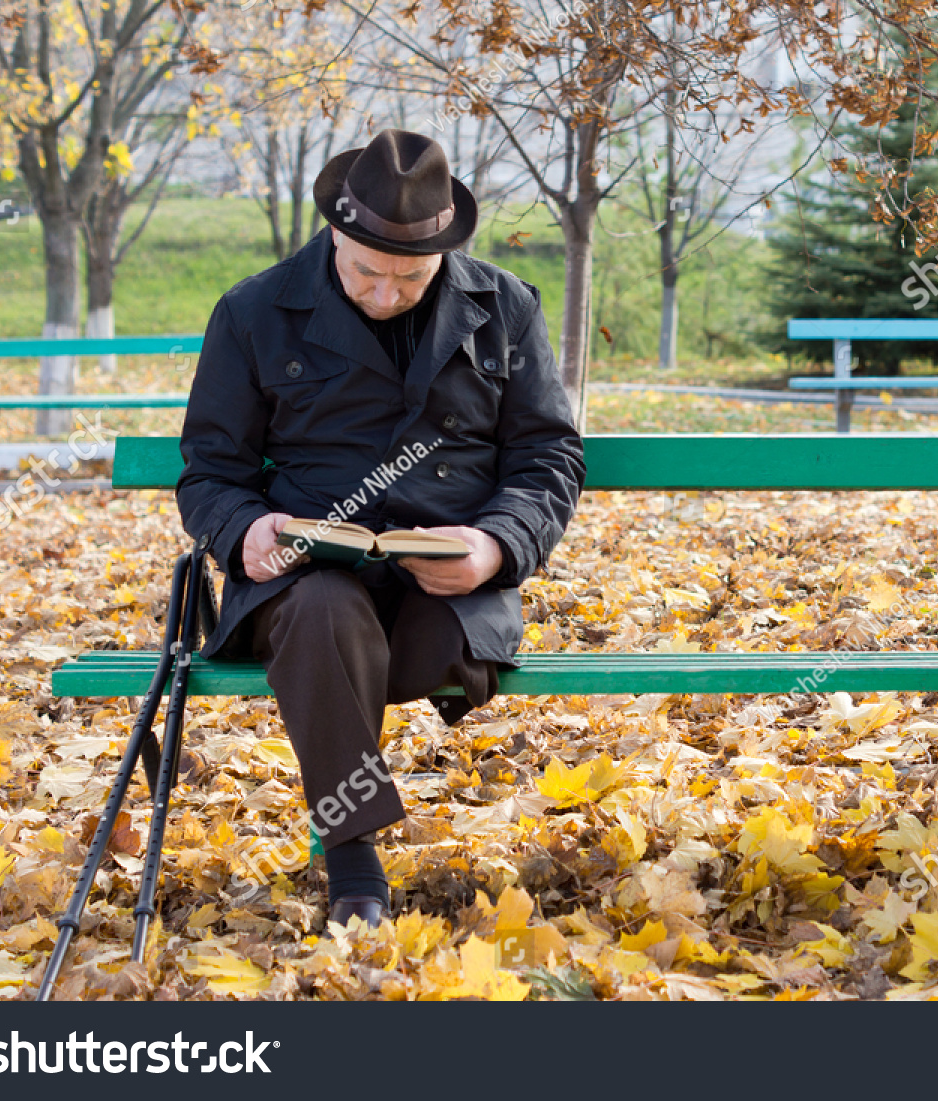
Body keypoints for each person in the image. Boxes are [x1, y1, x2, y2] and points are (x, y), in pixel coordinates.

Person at [177, 130, 586, 929]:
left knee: (352, 647)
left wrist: (497, 545)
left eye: (410, 276)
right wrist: (247, 529)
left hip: (447, 599)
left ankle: (347, 794)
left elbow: (548, 456)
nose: (386, 293)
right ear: (336, 230)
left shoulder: (505, 306)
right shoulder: (254, 311)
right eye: (367, 271)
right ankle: (355, 866)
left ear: (443, 249)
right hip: (310, 588)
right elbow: (208, 471)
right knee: (326, 616)